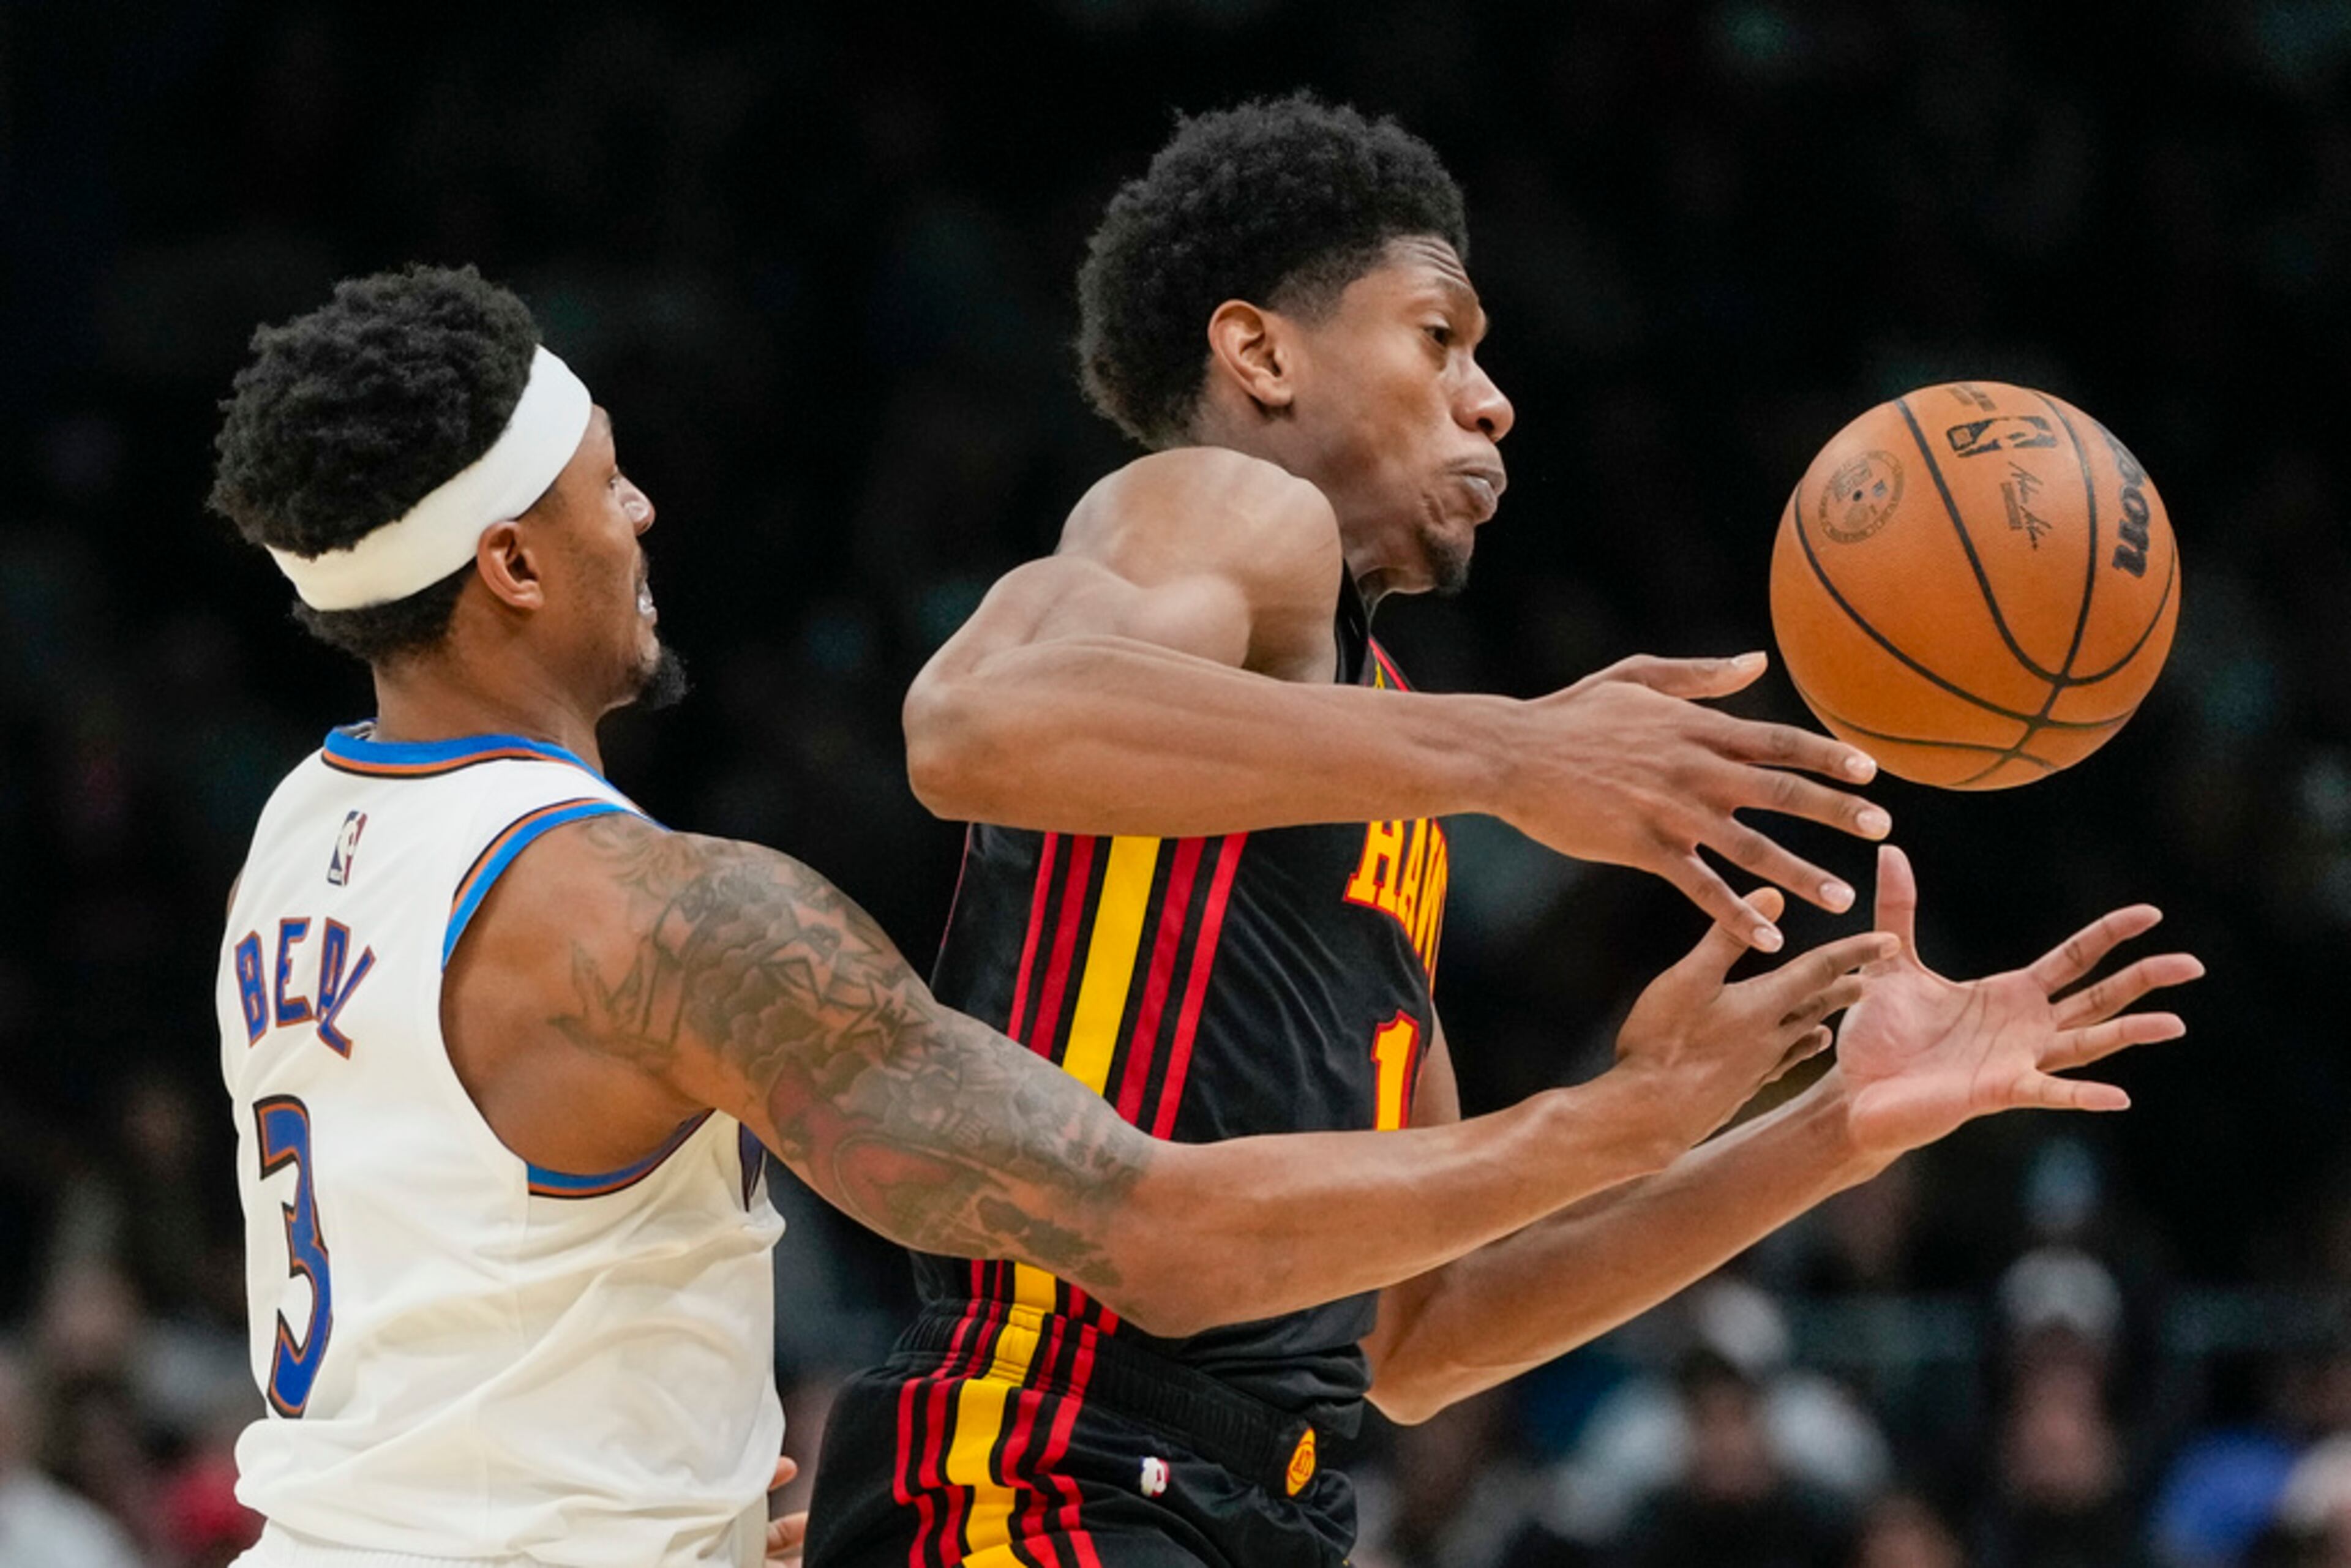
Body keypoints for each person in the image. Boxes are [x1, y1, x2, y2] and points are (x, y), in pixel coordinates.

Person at [206, 264, 1902, 1568]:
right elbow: (1148, 1232)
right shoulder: (657, 919)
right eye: (607, 485)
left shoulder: (300, 843)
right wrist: (1625, 1112)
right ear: (511, 566)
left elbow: (459, 1292)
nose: (641, 512)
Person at [802, 95, 2201, 1568]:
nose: (1493, 397)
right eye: (1438, 335)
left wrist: (1832, 1131)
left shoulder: (1379, 757)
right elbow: (979, 720)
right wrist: (1517, 749)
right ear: (1260, 351)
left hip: (1247, 1499)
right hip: (1041, 1471)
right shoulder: (1222, 512)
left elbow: (1423, 1331)